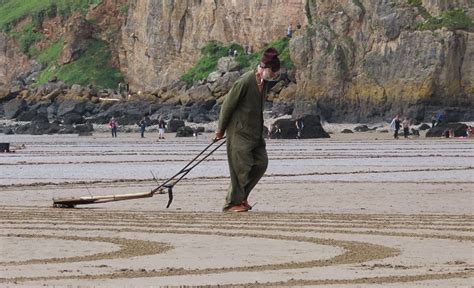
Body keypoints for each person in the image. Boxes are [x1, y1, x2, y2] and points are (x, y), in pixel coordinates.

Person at [215, 47, 281, 212]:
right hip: (239, 133)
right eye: (273, 72)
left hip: (255, 133)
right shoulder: (245, 81)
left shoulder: (264, 83)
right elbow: (227, 106)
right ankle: (231, 203)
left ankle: (242, 197)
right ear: (264, 67)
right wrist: (220, 131)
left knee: (261, 163)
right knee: (241, 167)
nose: (274, 76)